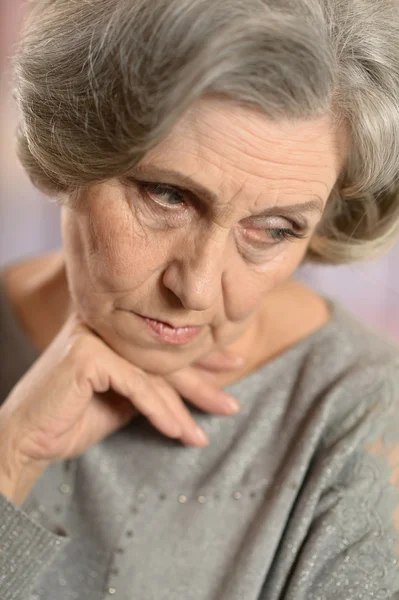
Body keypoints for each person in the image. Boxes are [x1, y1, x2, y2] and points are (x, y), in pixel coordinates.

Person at [1, 0, 399, 598]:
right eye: (167, 195)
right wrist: (10, 455)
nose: (195, 288)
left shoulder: (367, 417)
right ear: (74, 144)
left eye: (274, 229)